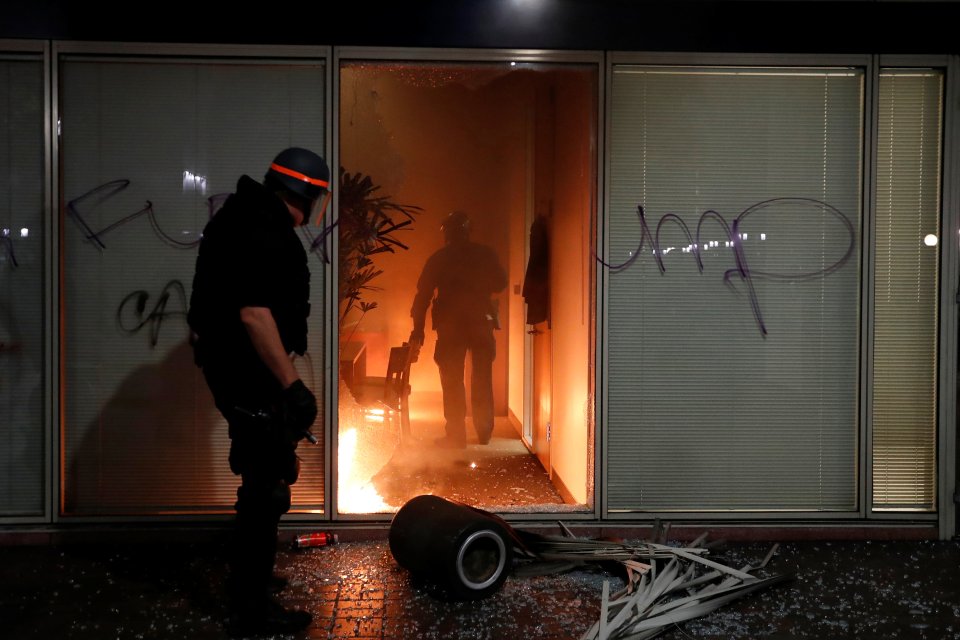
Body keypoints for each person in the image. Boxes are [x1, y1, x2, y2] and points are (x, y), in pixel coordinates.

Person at [187, 147, 329, 635]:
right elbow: (253, 313)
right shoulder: (263, 228)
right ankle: (251, 610)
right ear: (306, 193)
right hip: (245, 372)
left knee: (260, 477)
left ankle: (251, 581)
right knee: (266, 486)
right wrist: (292, 389)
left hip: (238, 370)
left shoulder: (244, 215)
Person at [409, 210, 508, 449]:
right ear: (468, 230)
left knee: (452, 378)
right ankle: (484, 431)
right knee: (481, 376)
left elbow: (422, 296)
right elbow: (501, 283)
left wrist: (418, 329)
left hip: (451, 326)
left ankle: (456, 435)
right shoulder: (485, 254)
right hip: (479, 323)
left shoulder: (439, 258)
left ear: (447, 233)